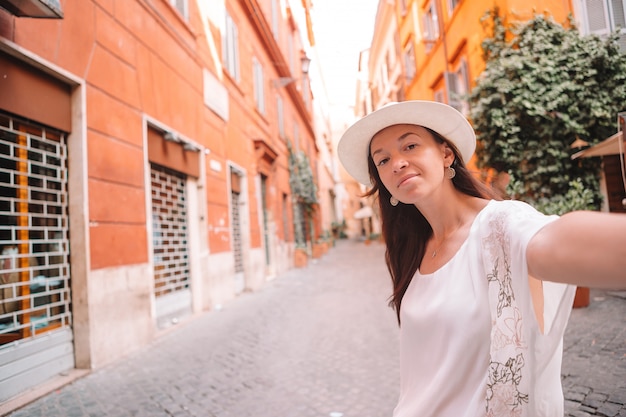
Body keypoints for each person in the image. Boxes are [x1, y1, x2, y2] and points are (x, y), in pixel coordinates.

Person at [337, 100, 626, 417]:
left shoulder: (500, 227)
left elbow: (558, 240)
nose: (397, 163)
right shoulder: (412, 252)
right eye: (383, 159)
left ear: (446, 154)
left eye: (410, 145)